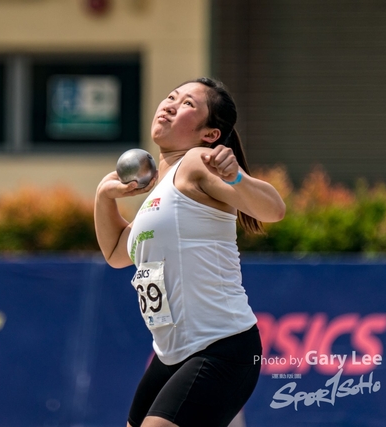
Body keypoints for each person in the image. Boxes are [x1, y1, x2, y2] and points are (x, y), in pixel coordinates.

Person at [94, 77, 286, 427]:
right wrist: (104, 197)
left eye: (187, 104)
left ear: (210, 134)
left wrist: (237, 177)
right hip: (170, 355)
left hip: (221, 347)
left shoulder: (197, 162)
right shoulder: (158, 190)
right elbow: (117, 253)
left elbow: (274, 210)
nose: (170, 105)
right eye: (171, 96)